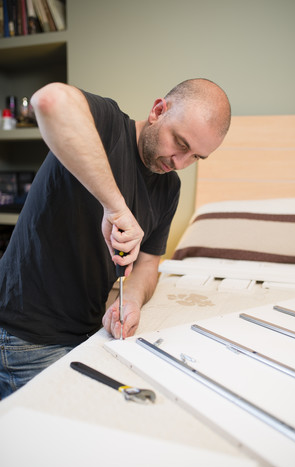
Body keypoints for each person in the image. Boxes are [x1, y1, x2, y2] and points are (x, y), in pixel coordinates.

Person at [0, 78, 231, 399]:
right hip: (28, 336)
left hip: (88, 330)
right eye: (179, 142)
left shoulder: (169, 188)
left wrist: (132, 300)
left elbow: (149, 265)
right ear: (158, 111)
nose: (180, 162)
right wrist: (116, 207)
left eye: (196, 157)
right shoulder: (105, 126)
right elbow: (49, 101)